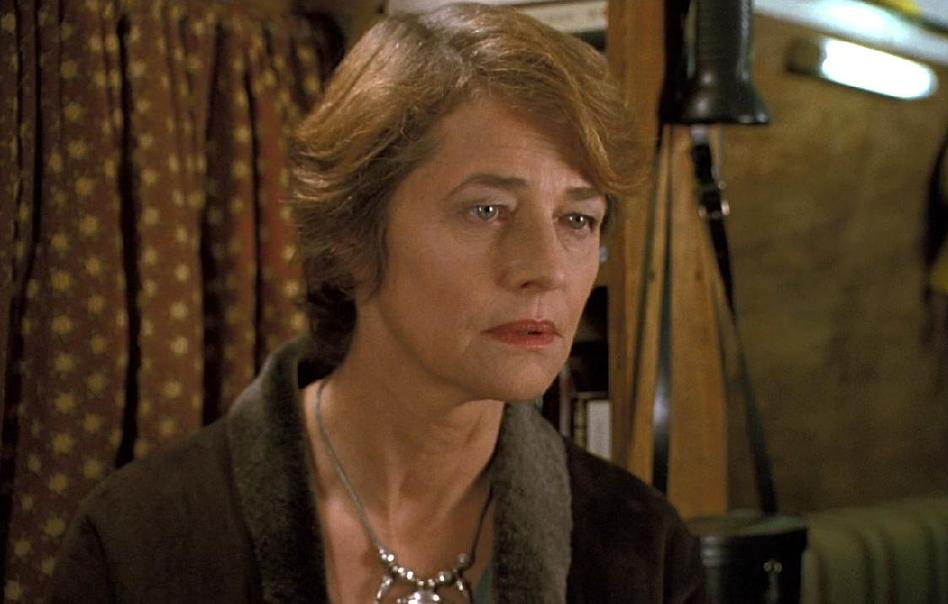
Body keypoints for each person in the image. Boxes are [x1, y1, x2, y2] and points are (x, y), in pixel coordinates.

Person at [51, 4, 706, 602]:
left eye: (578, 220)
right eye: (487, 210)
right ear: (354, 234)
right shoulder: (142, 541)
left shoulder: (643, 553)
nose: (547, 269)